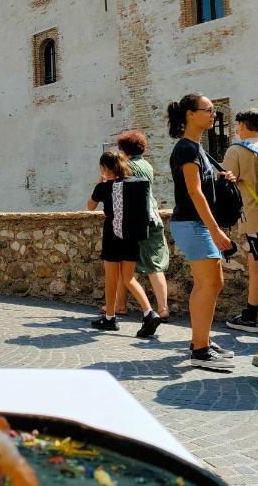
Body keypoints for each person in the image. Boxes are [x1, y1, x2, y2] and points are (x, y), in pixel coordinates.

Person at [167, 94, 235, 370]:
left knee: (209, 283)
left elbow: (200, 186)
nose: (214, 115)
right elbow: (194, 193)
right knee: (210, 283)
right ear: (190, 115)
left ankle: (201, 340)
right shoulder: (186, 149)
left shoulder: (197, 148)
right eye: (208, 110)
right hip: (192, 224)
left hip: (195, 224)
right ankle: (200, 350)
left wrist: (220, 177)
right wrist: (215, 230)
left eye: (214, 110)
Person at [87, 151, 161, 334]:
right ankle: (149, 313)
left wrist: (99, 183)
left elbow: (90, 206)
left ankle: (110, 318)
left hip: (112, 236)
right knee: (128, 278)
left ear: (104, 168)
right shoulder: (132, 184)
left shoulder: (104, 188)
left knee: (112, 278)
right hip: (131, 235)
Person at [107, 131, 170, 320]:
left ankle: (120, 305)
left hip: (133, 222)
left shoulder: (126, 166)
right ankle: (163, 308)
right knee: (154, 265)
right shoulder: (147, 166)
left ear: (124, 150)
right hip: (153, 217)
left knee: (124, 264)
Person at [222, 109, 258, 335]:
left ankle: (251, 318)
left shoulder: (236, 150)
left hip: (257, 219)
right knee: (255, 265)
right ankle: (250, 314)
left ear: (241, 125)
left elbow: (225, 184)